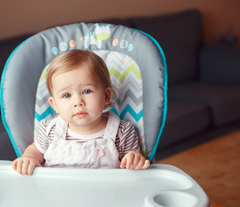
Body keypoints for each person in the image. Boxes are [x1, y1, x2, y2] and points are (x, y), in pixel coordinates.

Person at [12, 50, 150, 175]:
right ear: (55, 105)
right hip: (57, 194)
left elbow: (134, 164)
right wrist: (29, 157)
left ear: (106, 96)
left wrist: (135, 159)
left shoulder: (122, 132)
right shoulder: (50, 130)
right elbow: (36, 150)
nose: (78, 102)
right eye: (66, 95)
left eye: (87, 91)